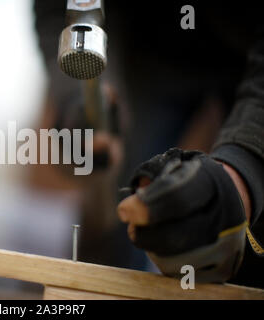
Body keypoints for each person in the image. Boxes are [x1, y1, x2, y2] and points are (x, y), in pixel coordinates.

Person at [34, 1, 263, 288]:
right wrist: (78, 98)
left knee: (231, 235)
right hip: (149, 46)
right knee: (127, 206)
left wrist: (244, 167)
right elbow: (60, 6)